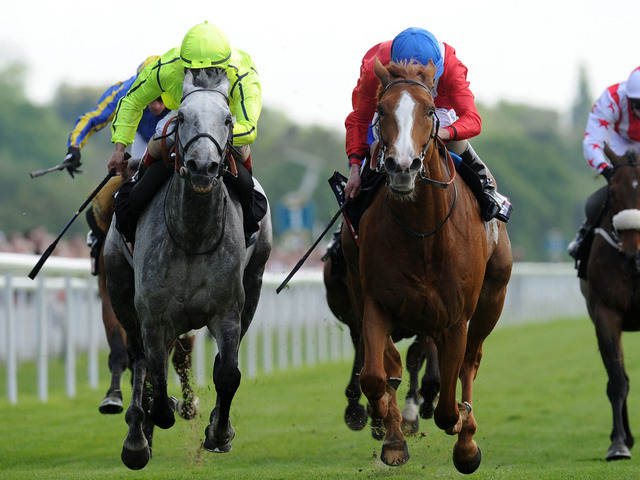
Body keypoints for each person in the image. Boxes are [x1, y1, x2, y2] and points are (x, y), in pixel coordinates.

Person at [109, 21, 265, 247]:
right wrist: (119, 149)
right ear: (183, 64)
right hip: (184, 118)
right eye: (194, 71)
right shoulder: (167, 67)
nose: (202, 76)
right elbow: (132, 100)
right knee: (160, 138)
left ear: (225, 66)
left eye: (212, 72)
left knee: (242, 152)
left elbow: (249, 129)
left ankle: (251, 217)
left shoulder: (243, 74)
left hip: (225, 123)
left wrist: (212, 136)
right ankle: (135, 198)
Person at [343, 27, 512, 224]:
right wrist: (354, 168)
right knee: (373, 152)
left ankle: (486, 188)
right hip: (394, 110)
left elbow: (473, 119)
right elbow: (359, 119)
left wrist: (444, 132)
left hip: (435, 110)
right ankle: (345, 230)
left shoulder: (450, 66)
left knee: (455, 141)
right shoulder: (376, 67)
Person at [567, 66, 640, 266]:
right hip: (619, 144)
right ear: (629, 99)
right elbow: (592, 142)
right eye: (638, 104)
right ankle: (584, 237)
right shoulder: (612, 98)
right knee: (598, 201)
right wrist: (606, 170)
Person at [62, 55, 168, 178]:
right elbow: (92, 119)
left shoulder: (183, 86)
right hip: (142, 139)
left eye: (160, 97)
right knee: (128, 177)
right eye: (150, 96)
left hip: (174, 136)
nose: (156, 106)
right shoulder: (121, 94)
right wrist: (74, 147)